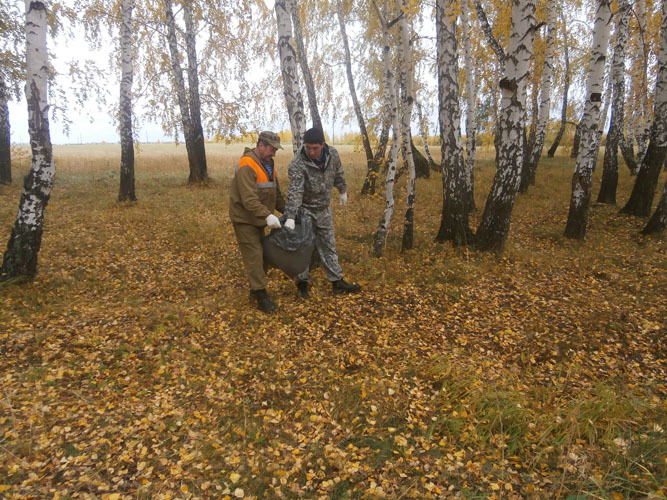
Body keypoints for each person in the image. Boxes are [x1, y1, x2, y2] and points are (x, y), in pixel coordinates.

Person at [284, 127, 361, 298]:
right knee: (303, 246)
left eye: (315, 148)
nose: (311, 151)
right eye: (308, 147)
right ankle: (302, 285)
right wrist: (290, 216)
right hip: (305, 210)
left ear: (323, 145)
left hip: (324, 210)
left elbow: (338, 172)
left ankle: (337, 282)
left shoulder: (332, 154)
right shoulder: (297, 164)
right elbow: (295, 191)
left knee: (329, 244)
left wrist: (342, 190)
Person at [229, 131, 285, 313]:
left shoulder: (269, 164)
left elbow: (275, 194)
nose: (274, 153)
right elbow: (249, 200)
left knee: (264, 255)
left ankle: (255, 290)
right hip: (245, 219)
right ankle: (261, 296)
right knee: (255, 256)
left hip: (259, 219)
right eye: (271, 149)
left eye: (276, 150)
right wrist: (268, 216)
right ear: (260, 145)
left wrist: (291, 213)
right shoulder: (247, 164)